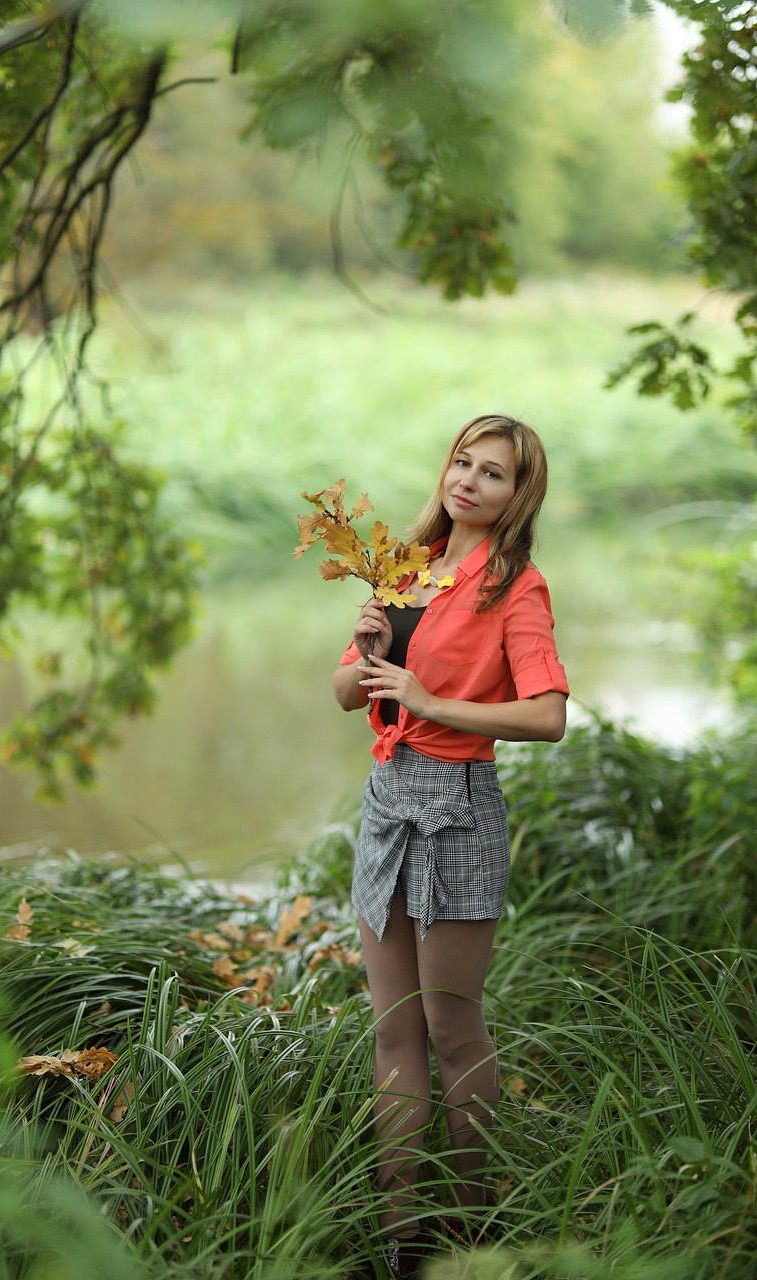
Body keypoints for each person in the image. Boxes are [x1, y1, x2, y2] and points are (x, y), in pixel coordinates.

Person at [333, 414, 569, 1277]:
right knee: (393, 1030)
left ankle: (471, 1236)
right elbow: (344, 695)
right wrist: (364, 655)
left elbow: (547, 716)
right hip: (387, 802)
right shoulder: (406, 567)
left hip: (458, 805)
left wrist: (429, 700)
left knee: (449, 1025)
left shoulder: (517, 588)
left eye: (493, 473)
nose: (468, 480)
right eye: (462, 462)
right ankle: (405, 1240)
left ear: (518, 496)